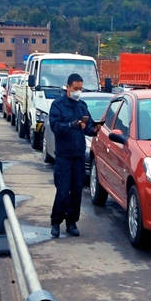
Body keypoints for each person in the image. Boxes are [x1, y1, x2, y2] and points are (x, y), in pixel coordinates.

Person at [48, 73, 101, 238]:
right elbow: (56, 127)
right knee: (63, 191)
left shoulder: (82, 106)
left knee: (77, 191)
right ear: (68, 87)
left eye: (80, 88)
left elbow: (88, 127)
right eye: (76, 88)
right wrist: (71, 125)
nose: (78, 91)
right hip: (63, 156)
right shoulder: (57, 105)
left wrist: (94, 129)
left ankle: (72, 222)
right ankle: (56, 222)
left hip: (78, 155)